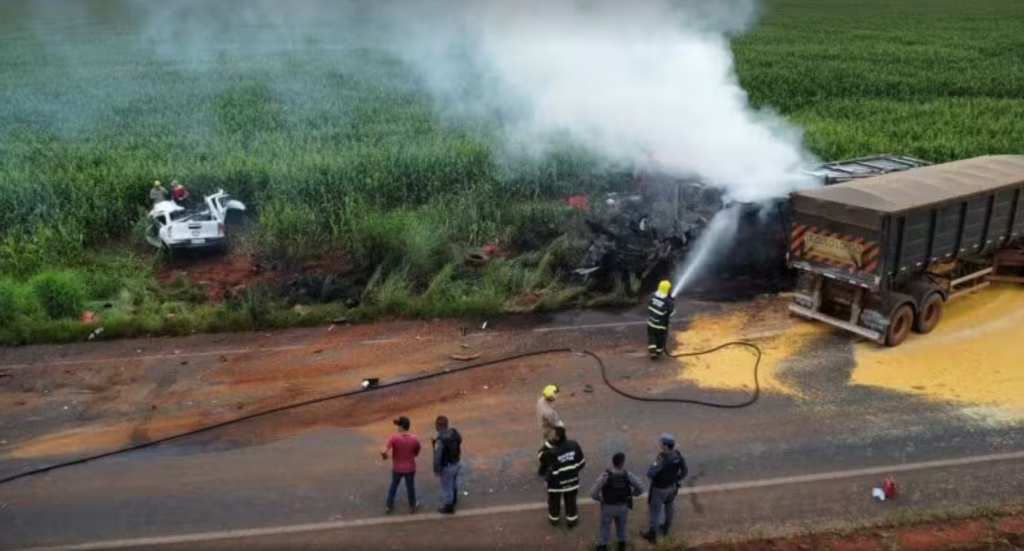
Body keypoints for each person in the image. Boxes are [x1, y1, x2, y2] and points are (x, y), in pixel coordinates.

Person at [589, 452, 646, 551]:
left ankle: (602, 546)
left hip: (607, 507)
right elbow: (641, 488)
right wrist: (632, 494)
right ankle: (622, 546)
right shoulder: (628, 475)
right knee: (622, 528)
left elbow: (593, 493)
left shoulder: (606, 476)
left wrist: (600, 499)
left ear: (613, 462)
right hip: (623, 506)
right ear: (622, 463)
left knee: (604, 528)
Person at [641, 433, 688, 543]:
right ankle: (666, 529)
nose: (660, 444)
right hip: (672, 488)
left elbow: (650, 473)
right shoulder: (678, 455)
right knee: (669, 508)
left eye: (661, 442)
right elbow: (685, 472)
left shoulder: (662, 457)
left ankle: (652, 535)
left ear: (666, 445)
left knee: (655, 512)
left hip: (659, 489)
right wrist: (675, 479)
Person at [537, 426, 585, 528]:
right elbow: (581, 463)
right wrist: (572, 472)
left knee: (554, 502)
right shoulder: (574, 445)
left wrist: (548, 444)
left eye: (552, 435)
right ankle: (572, 521)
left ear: (557, 438)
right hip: (572, 481)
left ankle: (554, 520)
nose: (550, 436)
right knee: (571, 501)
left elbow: (541, 456)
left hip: (555, 484)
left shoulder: (552, 452)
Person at [381, 416, 422, 514]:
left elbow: (383, 451)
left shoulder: (394, 438)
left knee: (394, 486)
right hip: (410, 468)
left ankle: (389, 506)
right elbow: (417, 450)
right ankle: (412, 507)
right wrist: (414, 454)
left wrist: (385, 456)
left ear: (402, 427)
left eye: (398, 425)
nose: (397, 427)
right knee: (410, 487)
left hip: (397, 468)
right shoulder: (415, 438)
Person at [432, 415, 462, 514]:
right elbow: (460, 440)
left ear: (438, 426)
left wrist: (436, 470)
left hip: (447, 467)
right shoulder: (454, 433)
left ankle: (449, 507)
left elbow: (437, 458)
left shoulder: (440, 441)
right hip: (456, 463)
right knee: (453, 482)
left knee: (446, 488)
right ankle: (454, 499)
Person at [647, 280, 675, 359]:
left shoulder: (653, 295)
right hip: (661, 325)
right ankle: (658, 352)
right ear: (667, 290)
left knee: (651, 336)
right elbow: (671, 313)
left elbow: (650, 305)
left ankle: (653, 352)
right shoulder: (668, 301)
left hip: (651, 322)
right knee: (660, 338)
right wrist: (671, 301)